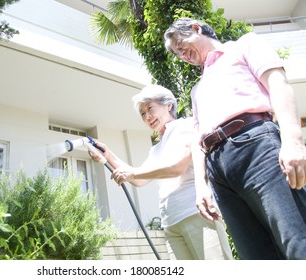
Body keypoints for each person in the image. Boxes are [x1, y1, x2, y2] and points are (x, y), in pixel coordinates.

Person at [164, 17, 306, 259]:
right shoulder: (197, 90)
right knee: (254, 255)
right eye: (177, 54)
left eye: (181, 46)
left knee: (296, 238)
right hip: (217, 169)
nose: (182, 55)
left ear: (196, 28)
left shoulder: (244, 45)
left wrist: (293, 141)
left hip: (256, 147)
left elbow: (277, 84)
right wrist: (201, 186)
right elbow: (198, 137)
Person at [89, 85, 233, 260]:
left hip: (195, 213)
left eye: (150, 108)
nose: (147, 116)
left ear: (168, 105)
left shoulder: (185, 126)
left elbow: (177, 166)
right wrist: (108, 154)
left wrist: (133, 174)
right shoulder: (156, 149)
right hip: (171, 224)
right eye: (142, 114)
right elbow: (139, 179)